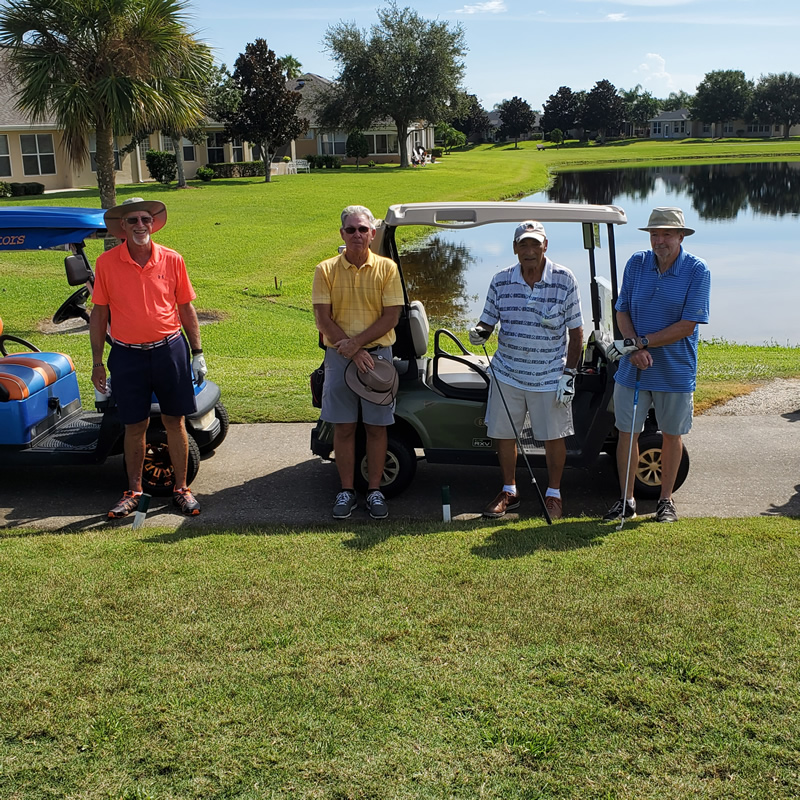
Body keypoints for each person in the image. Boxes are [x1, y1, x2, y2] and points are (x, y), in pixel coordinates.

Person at [89, 197, 207, 519]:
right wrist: (97, 362)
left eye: (145, 219)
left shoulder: (172, 259)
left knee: (175, 421)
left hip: (170, 350)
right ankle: (134, 492)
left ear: (153, 224)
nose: (140, 225)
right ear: (123, 227)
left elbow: (186, 307)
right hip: (127, 355)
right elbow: (99, 315)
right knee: (134, 424)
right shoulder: (106, 263)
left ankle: (181, 489)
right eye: (133, 221)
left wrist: (197, 353)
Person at [469, 220, 584, 520]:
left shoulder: (564, 279)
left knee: (553, 436)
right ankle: (510, 490)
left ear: (545, 246)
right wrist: (479, 332)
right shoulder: (501, 280)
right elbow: (488, 321)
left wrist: (569, 374)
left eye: (535, 244)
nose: (529, 250)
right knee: (504, 434)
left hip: (549, 375)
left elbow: (576, 334)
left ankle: (554, 494)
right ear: (515, 248)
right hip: (508, 372)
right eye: (523, 244)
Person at [603, 207, 710, 523]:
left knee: (671, 435)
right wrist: (633, 347)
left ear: (681, 236)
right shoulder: (636, 263)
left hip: (675, 370)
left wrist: (643, 343)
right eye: (654, 234)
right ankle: (626, 500)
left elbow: (687, 326)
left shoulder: (697, 270)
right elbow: (622, 310)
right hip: (633, 368)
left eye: (666, 234)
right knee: (627, 433)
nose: (659, 240)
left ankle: (665, 501)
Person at [312, 205, 404, 520]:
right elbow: (323, 319)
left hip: (378, 358)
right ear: (342, 234)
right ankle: (347, 491)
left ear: (372, 233)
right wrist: (352, 350)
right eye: (350, 229)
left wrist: (358, 345)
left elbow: (391, 317)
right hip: (339, 357)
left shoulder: (387, 268)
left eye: (363, 229)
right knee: (344, 426)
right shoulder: (325, 270)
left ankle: (375, 490)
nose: (357, 235)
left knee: (377, 427)